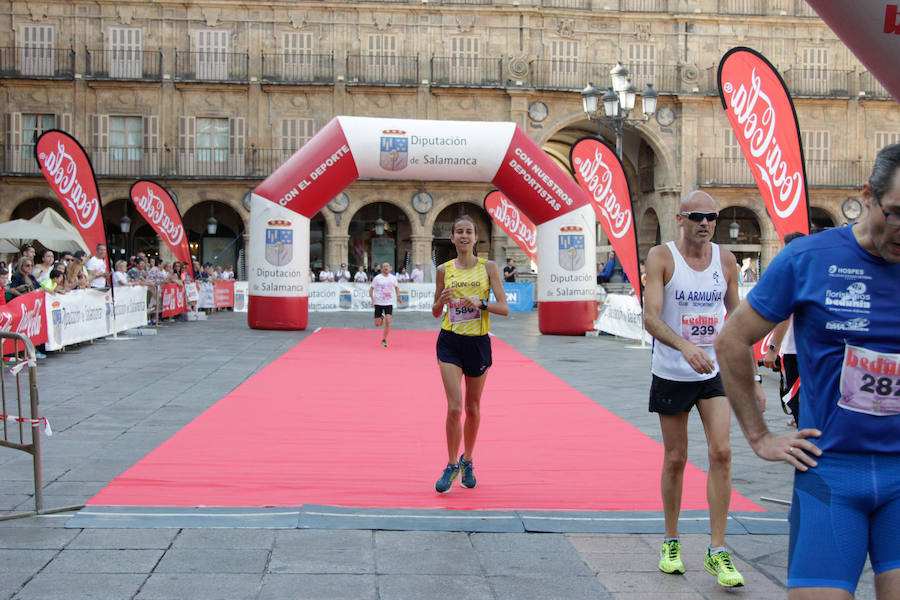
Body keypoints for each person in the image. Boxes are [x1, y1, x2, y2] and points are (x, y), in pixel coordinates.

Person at [715, 144, 900, 599]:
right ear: (868, 195)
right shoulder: (810, 259)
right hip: (830, 472)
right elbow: (731, 340)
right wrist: (760, 436)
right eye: (896, 213)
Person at [642, 190, 755, 588]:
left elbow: (737, 320)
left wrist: (752, 376)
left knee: (721, 451)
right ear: (681, 219)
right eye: (697, 216)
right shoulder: (662, 257)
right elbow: (650, 318)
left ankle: (717, 549)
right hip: (673, 369)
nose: (705, 222)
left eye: (711, 217)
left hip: (714, 371)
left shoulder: (725, 260)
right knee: (676, 457)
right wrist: (685, 346)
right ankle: (671, 540)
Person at [431, 215, 509, 493]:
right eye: (459, 232)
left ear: (476, 238)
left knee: (472, 409)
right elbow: (436, 311)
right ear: (452, 238)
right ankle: (451, 464)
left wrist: (482, 302)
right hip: (450, 341)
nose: (464, 236)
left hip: (478, 343)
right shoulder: (443, 270)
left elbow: (505, 308)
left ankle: (468, 460)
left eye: (469, 232)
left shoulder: (489, 267)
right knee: (454, 407)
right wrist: (439, 302)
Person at [762, 232, 807, 427]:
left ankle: (806, 443)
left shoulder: (793, 275)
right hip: (816, 349)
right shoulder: (818, 273)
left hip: (795, 350)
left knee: (796, 398)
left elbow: (785, 315)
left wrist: (772, 349)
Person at [369, 262, 401, 347]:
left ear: (390, 268)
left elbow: (396, 288)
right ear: (382, 269)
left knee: (388, 321)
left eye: (387, 266)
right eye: (384, 266)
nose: (385, 268)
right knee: (377, 324)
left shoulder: (393, 278)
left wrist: (398, 296)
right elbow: (371, 289)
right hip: (379, 303)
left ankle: (384, 339)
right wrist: (372, 300)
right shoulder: (377, 278)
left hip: (389, 303)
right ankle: (381, 317)